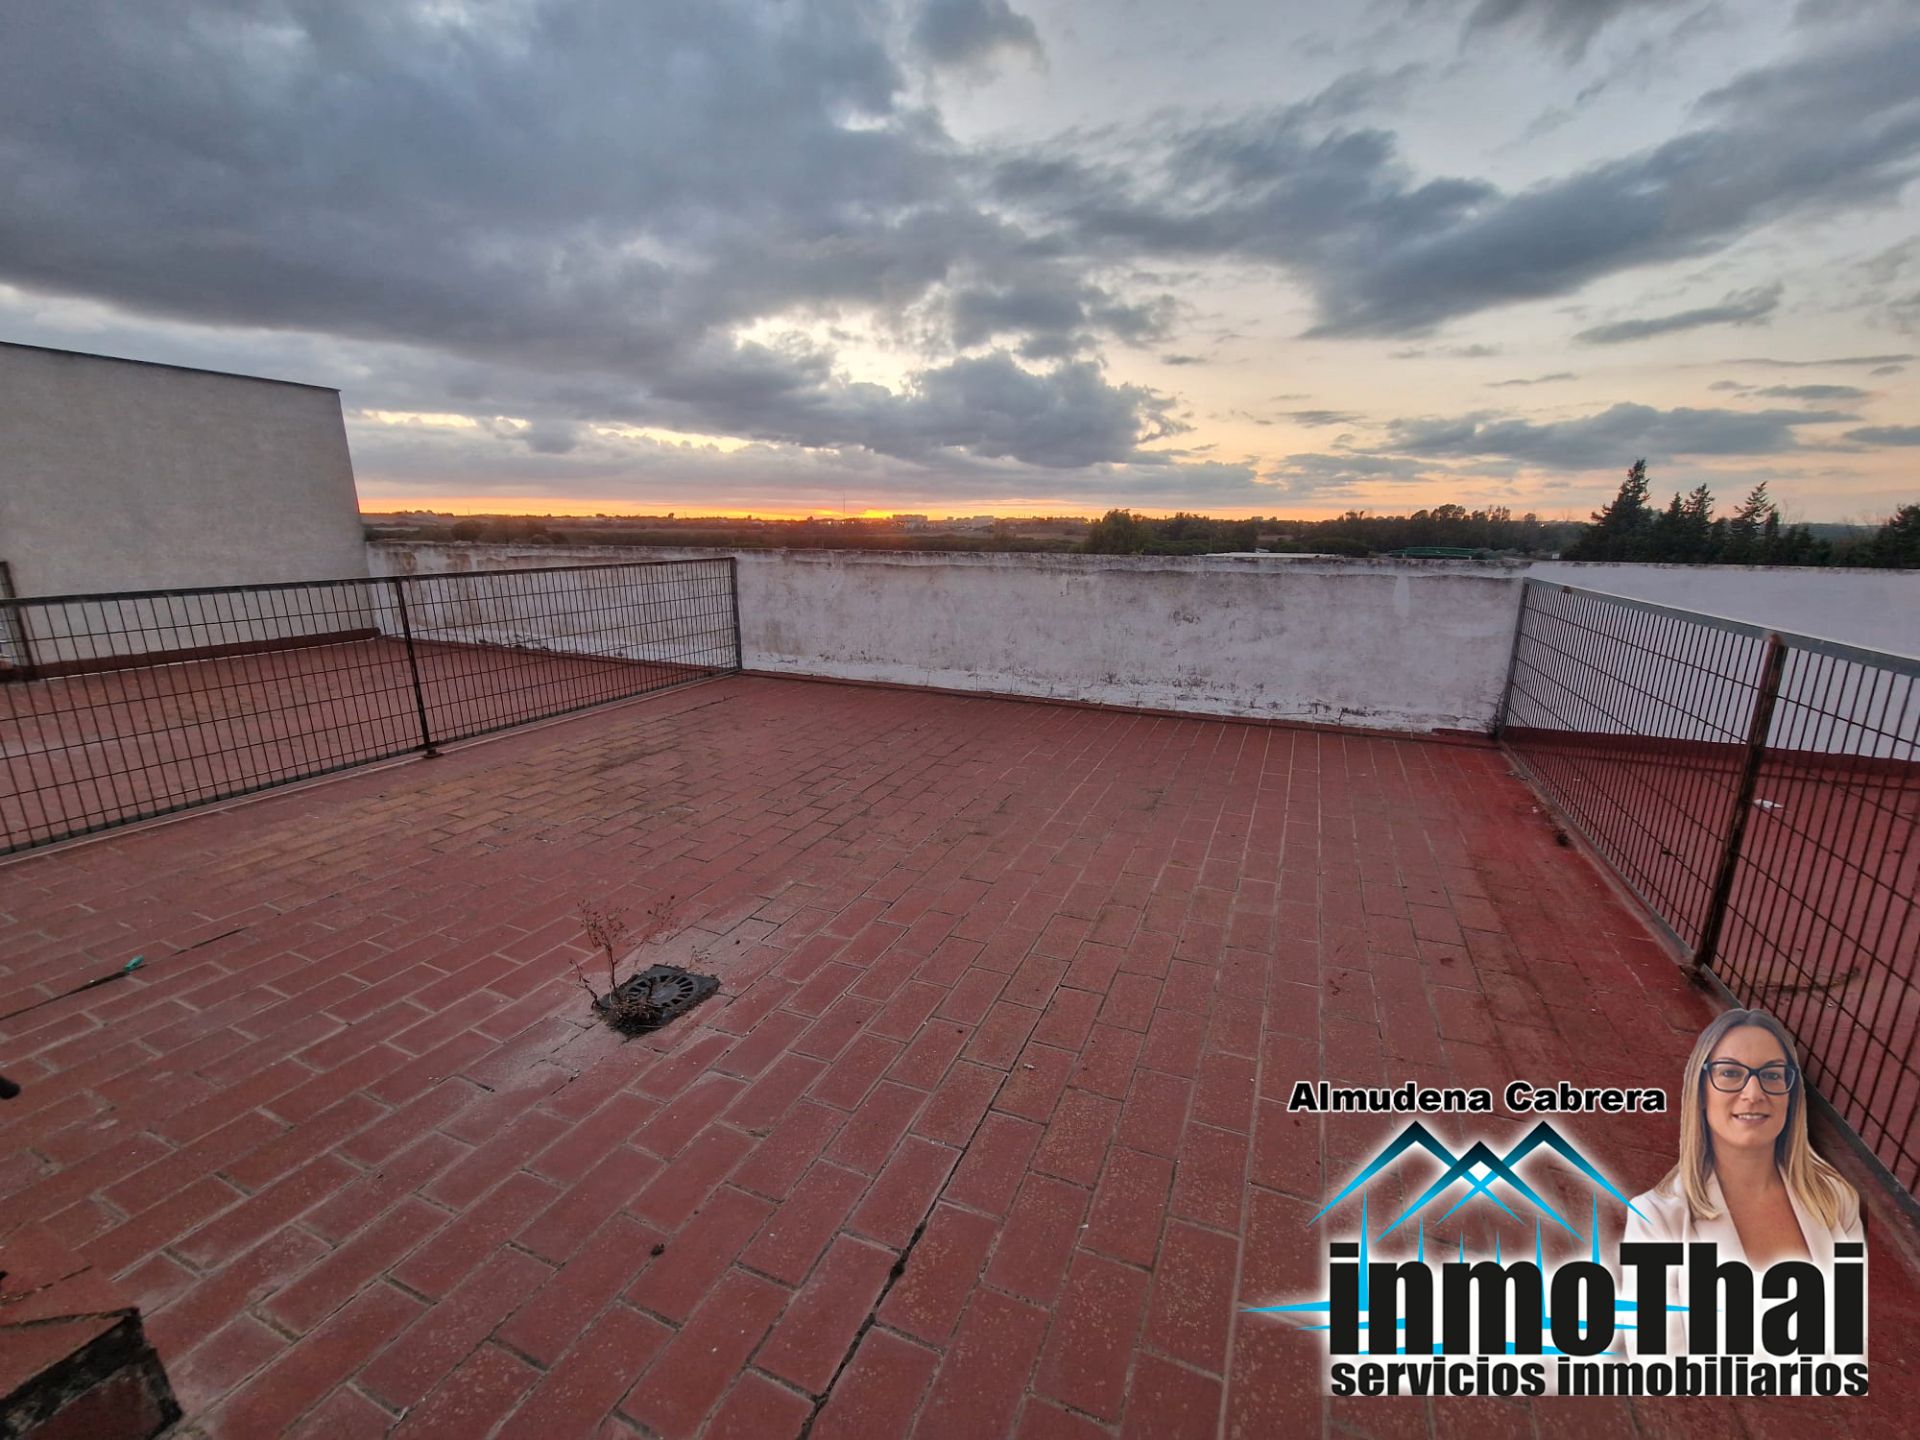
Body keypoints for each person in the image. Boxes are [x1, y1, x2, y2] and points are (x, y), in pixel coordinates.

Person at [1620, 1008, 1862, 1358]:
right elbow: (1657, 1365)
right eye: (1730, 1073)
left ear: (1791, 1096)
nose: (1753, 1093)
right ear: (1700, 1093)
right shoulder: (1657, 1217)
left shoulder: (1836, 1198)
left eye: (1772, 1075)